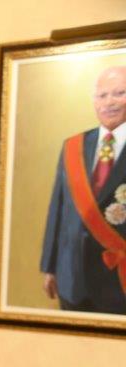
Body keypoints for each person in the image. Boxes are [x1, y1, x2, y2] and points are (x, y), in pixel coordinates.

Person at [40, 65, 126, 314]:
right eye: (102, 95)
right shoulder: (73, 146)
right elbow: (57, 208)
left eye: (120, 93)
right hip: (71, 276)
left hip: (117, 280)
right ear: (94, 101)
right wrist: (50, 266)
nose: (110, 102)